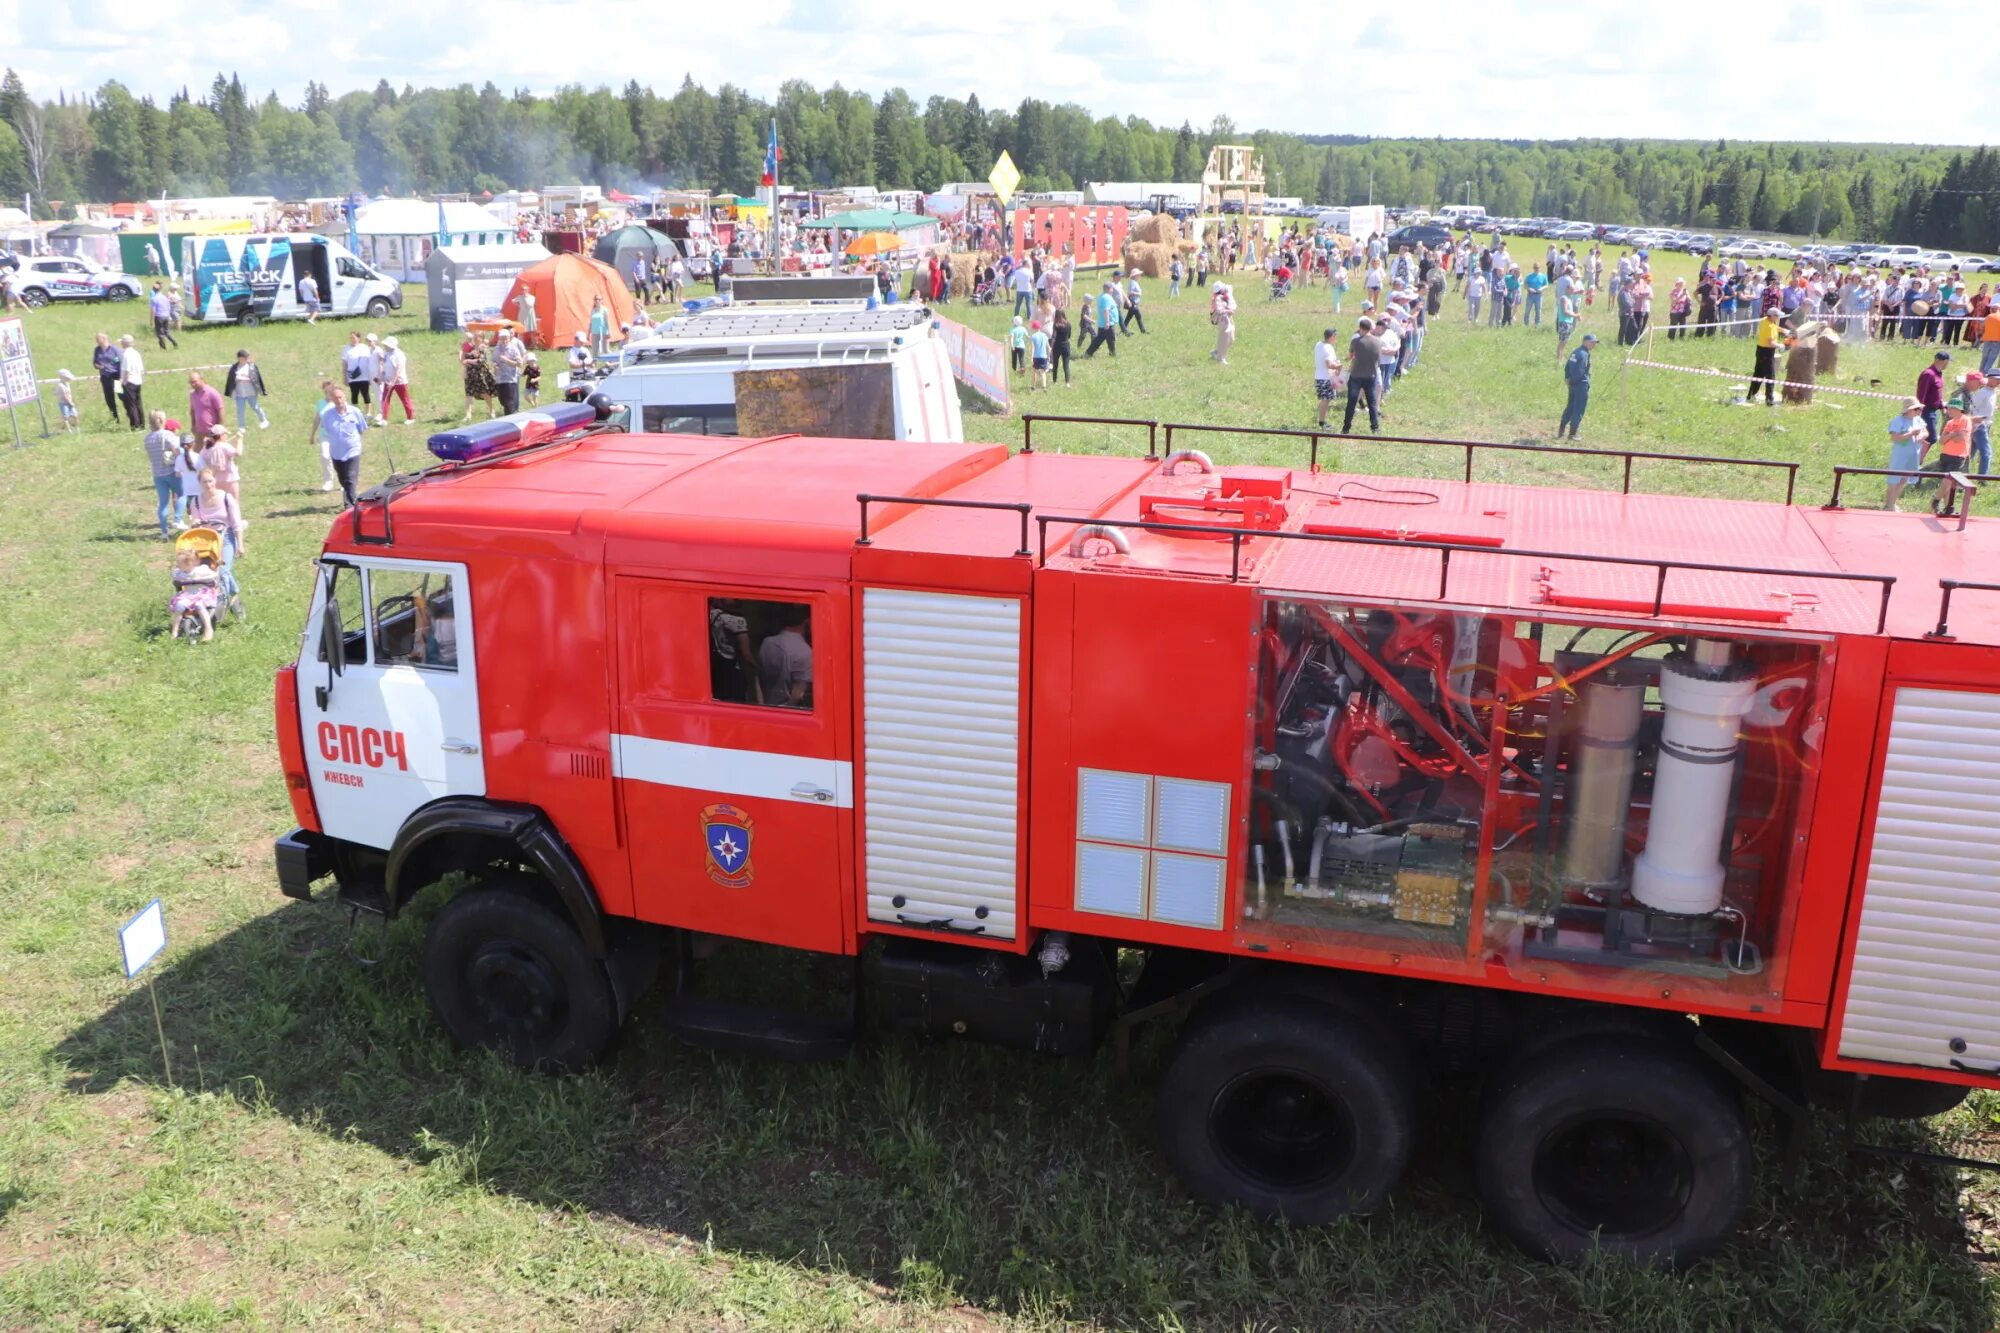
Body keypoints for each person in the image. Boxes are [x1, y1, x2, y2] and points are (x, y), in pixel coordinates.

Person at [322, 386, 370, 506]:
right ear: (331, 400)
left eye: (340, 397)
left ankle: (350, 506)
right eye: (335, 398)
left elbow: (361, 429)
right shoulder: (327, 415)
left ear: (345, 397)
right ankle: (352, 498)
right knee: (343, 479)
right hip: (336, 453)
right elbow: (327, 432)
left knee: (350, 478)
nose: (338, 400)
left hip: (352, 450)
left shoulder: (355, 412)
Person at [758, 604, 813, 708]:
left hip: (767, 707)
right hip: (788, 713)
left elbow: (760, 680)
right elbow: (798, 694)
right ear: (807, 622)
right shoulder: (805, 652)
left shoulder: (767, 643)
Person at [168, 543, 221, 642]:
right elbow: (174, 577)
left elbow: (214, 576)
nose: (177, 565)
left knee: (199, 605)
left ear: (189, 563)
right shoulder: (179, 572)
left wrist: (202, 579)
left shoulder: (201, 570)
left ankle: (208, 629)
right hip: (188, 594)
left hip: (202, 593)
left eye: (179, 563)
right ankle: (175, 630)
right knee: (179, 605)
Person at [1884, 397, 1929, 510]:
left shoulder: (1918, 420)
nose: (1919, 411)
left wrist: (1921, 436)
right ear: (1909, 410)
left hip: (1914, 454)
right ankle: (1889, 504)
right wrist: (1910, 434)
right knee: (1894, 479)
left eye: (1919, 409)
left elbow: (1926, 432)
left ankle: (1893, 503)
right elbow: (1895, 437)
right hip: (1900, 455)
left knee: (1904, 479)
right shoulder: (1898, 421)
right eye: (1916, 409)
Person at [1931, 402, 1974, 516]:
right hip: (1946, 454)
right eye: (1948, 408)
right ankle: (1948, 506)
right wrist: (1952, 435)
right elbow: (1942, 441)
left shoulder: (1965, 420)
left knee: (1949, 480)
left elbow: (1960, 438)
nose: (1948, 411)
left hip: (1958, 455)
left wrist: (1950, 435)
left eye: (1951, 409)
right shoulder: (1950, 422)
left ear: (1958, 409)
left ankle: (1935, 499)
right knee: (1948, 483)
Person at [1341, 317, 1382, 435]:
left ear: (1360, 328)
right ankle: (1375, 427)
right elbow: (1378, 359)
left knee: (1351, 403)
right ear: (1370, 328)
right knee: (1372, 403)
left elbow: (1350, 356)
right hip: (1371, 376)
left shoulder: (1356, 342)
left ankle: (1346, 428)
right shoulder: (1378, 341)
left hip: (1356, 376)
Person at [143, 410, 180, 536]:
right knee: (182, 494)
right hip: (171, 471)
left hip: (158, 474)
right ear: (163, 421)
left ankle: (164, 531)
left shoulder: (147, 438)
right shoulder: (168, 435)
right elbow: (177, 452)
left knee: (163, 503)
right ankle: (177, 519)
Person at [1558, 333, 1597, 440]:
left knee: (1570, 407)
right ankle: (1572, 434)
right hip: (1581, 384)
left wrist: (1568, 379)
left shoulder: (1575, 352)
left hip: (1573, 384)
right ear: (1585, 342)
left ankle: (1561, 430)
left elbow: (1568, 366)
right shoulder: (1584, 354)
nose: (1594, 345)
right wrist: (1575, 381)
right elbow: (1580, 371)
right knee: (1578, 408)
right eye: (1592, 342)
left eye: (1595, 343)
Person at [303, 378, 339, 493]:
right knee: (325, 456)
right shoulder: (321, 404)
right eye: (326, 392)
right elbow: (317, 419)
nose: (328, 394)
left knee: (339, 458)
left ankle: (343, 481)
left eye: (330, 391)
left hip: (337, 435)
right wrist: (312, 435)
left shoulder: (338, 402)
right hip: (324, 435)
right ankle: (328, 481)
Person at [223, 349, 270, 430]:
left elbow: (255, 379)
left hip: (250, 392)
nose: (242, 360)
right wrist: (236, 380)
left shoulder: (251, 367)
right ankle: (241, 426)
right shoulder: (235, 367)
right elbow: (231, 379)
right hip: (239, 393)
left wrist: (243, 379)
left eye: (244, 358)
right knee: (240, 410)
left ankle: (264, 420)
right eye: (241, 359)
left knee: (255, 407)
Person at [1749, 308, 1784, 406]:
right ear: (1772, 316)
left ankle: (1751, 395)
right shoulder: (1768, 326)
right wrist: (1780, 345)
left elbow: (1774, 327)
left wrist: (1784, 330)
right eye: (1777, 316)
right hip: (1767, 352)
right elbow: (1770, 342)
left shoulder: (1765, 320)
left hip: (1760, 351)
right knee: (1770, 376)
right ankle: (1769, 400)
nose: (1778, 318)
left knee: (1758, 374)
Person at [200, 422, 243, 502]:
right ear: (221, 435)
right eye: (225, 434)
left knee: (220, 502)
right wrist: (239, 440)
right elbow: (238, 453)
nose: (227, 436)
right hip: (230, 478)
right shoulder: (225, 446)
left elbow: (202, 457)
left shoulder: (207, 448)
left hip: (216, 479)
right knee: (234, 502)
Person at [459, 332, 497, 421]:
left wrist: (468, 361)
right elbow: (462, 358)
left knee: (484, 393)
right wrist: (461, 352)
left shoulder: (483, 347)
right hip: (470, 373)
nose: (475, 338)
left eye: (477, 337)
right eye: (474, 336)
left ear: (482, 338)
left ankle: (492, 410)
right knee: (469, 393)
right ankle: (468, 415)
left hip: (480, 373)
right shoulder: (470, 347)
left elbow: (481, 360)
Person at [1917, 351, 1950, 447]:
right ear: (1940, 361)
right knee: (1931, 437)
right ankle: (1916, 458)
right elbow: (1921, 395)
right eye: (1946, 361)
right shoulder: (1928, 374)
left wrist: (1941, 407)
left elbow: (1937, 393)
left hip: (1934, 411)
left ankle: (1918, 459)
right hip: (1926, 411)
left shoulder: (1939, 374)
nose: (1947, 364)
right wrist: (1919, 412)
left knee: (1929, 438)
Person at [1313, 327, 1344, 429]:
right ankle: (1322, 422)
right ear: (1332, 337)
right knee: (1325, 400)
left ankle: (1321, 419)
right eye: (1335, 336)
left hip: (1319, 376)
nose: (1336, 339)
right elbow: (1329, 364)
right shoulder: (1328, 348)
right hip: (1326, 378)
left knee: (1324, 400)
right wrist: (1339, 366)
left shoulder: (1318, 345)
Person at [378, 336, 414, 424]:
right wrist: (382, 376)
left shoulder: (399, 354)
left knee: (405, 399)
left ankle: (410, 418)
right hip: (388, 380)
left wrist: (393, 382)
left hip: (399, 382)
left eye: (386, 345)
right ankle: (383, 419)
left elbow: (399, 369)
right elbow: (384, 366)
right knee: (385, 399)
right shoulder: (386, 354)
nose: (385, 346)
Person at [492, 329, 525, 415]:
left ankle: (510, 419)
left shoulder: (514, 349)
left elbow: (520, 364)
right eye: (502, 338)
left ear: (509, 338)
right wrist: (495, 366)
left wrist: (506, 360)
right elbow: (494, 361)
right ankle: (510, 415)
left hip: (510, 378)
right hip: (499, 378)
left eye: (506, 338)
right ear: (499, 338)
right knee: (502, 401)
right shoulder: (496, 349)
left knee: (509, 402)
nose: (504, 340)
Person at [91, 332, 122, 424]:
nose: (96, 341)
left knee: (121, 396)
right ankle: (115, 419)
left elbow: (120, 362)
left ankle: (130, 414)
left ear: (104, 339)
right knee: (109, 399)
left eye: (98, 339)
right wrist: (97, 366)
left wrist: (120, 376)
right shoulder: (97, 350)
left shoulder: (114, 350)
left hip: (116, 376)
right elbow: (95, 362)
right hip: (105, 377)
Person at [118, 334, 146, 429]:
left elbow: (126, 370)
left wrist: (123, 382)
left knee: (131, 405)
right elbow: (141, 369)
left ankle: (135, 425)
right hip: (138, 381)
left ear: (124, 343)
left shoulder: (126, 354)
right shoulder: (136, 353)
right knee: (138, 404)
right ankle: (142, 424)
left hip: (129, 382)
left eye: (121, 341)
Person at [344, 333, 374, 409]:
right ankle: (355, 411)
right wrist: (345, 377)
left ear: (358, 338)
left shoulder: (364, 347)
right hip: (352, 375)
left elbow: (368, 361)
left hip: (363, 375)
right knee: (354, 394)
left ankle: (368, 413)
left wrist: (371, 375)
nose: (352, 340)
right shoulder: (346, 348)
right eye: (350, 338)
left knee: (365, 394)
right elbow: (344, 363)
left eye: (354, 338)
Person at [1210, 281, 1236, 364]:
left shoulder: (1226, 295)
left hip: (1228, 317)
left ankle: (1217, 352)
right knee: (1224, 337)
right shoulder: (1218, 298)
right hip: (1223, 319)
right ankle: (1221, 358)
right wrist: (1228, 310)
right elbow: (1219, 310)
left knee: (1231, 339)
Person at [148, 282, 178, 349]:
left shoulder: (154, 299)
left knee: (160, 333)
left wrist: (151, 321)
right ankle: (174, 342)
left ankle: (163, 348)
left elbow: (153, 310)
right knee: (167, 332)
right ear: (160, 289)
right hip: (166, 316)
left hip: (159, 317)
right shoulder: (165, 297)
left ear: (153, 290)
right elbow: (168, 307)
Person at [1049, 308, 1072, 387]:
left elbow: (1054, 336)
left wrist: (1051, 345)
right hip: (1065, 345)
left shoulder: (1055, 324)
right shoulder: (1068, 324)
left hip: (1057, 345)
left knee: (1055, 364)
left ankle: (1055, 381)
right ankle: (1067, 382)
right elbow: (1069, 336)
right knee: (1066, 365)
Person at [54, 368, 77, 433]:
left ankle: (75, 427)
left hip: (69, 401)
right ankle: (69, 430)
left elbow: (69, 393)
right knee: (65, 416)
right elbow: (65, 396)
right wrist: (70, 403)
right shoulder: (60, 386)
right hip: (63, 403)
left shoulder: (67, 384)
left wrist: (72, 400)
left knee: (75, 415)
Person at [588, 295, 612, 359]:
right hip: (595, 332)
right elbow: (591, 322)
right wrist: (588, 334)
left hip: (603, 332)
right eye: (596, 299)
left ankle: (612, 362)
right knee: (594, 350)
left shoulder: (604, 310)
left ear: (602, 300)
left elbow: (607, 321)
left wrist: (609, 331)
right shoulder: (593, 310)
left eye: (599, 299)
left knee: (605, 349)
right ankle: (593, 365)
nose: (597, 301)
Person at [1029, 320, 1050, 390]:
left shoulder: (1033, 336)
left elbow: (1033, 348)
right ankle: (1044, 386)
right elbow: (1048, 347)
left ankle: (1033, 386)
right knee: (1043, 372)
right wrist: (1048, 355)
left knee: (1034, 371)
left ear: (1033, 328)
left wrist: (1031, 357)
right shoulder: (1045, 336)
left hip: (1036, 357)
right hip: (1044, 356)